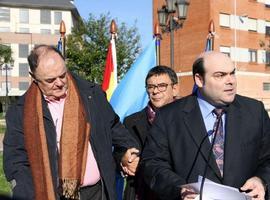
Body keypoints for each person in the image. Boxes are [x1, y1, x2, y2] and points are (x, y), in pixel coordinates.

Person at [3, 45, 139, 200]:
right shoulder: (20, 112)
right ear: (33, 77)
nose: (60, 83)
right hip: (55, 195)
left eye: (62, 75)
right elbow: (16, 161)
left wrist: (127, 153)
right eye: (50, 80)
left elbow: (114, 129)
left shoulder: (92, 95)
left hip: (98, 193)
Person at [142, 51, 270, 200]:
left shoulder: (255, 111)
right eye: (220, 75)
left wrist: (261, 180)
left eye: (232, 73)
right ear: (199, 79)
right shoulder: (169, 116)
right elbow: (153, 164)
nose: (230, 81)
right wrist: (180, 189)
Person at [116, 65, 179, 200]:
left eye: (162, 86)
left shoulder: (190, 118)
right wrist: (124, 159)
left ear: (174, 89)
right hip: (141, 191)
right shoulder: (131, 121)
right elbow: (118, 151)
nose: (155, 91)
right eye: (150, 87)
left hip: (177, 191)